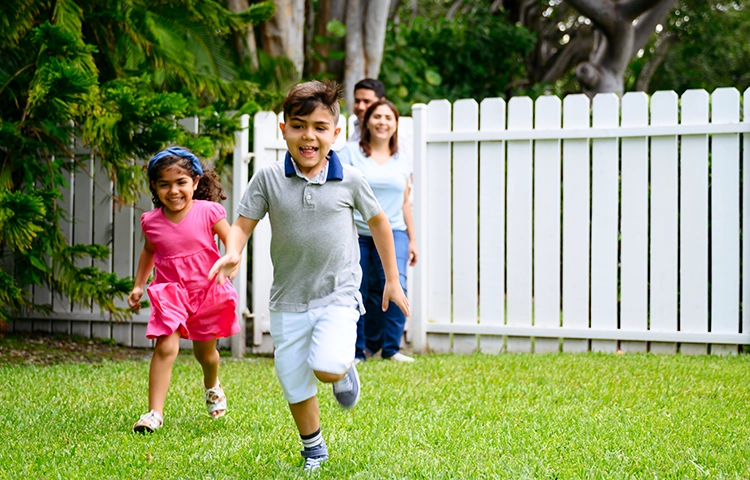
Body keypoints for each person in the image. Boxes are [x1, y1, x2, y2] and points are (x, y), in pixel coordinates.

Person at [208, 80, 409, 471]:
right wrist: (232, 251)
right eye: (299, 125)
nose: (309, 136)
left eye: (320, 127)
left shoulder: (349, 177)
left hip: (338, 293)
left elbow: (380, 222)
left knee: (326, 365)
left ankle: (344, 371)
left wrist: (392, 278)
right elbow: (243, 224)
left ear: (336, 134)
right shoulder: (267, 178)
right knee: (294, 381)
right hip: (287, 299)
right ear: (283, 129)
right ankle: (314, 449)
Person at [128, 146, 239, 433]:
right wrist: (139, 285)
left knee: (206, 355)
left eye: (181, 183)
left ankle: (211, 384)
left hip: (206, 292)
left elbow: (233, 241)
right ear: (154, 186)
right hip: (170, 292)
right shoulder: (151, 221)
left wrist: (231, 262)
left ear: (196, 183)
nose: (173, 191)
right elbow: (149, 251)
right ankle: (154, 413)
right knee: (165, 346)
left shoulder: (209, 212)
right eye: (164, 184)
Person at [338, 100, 418, 363]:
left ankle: (391, 349)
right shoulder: (350, 153)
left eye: (388, 118)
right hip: (357, 233)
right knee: (356, 289)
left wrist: (413, 239)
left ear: (396, 125)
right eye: (377, 116)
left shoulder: (402, 158)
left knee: (398, 285)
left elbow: (406, 202)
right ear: (366, 121)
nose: (382, 122)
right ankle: (357, 351)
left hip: (394, 232)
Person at [348, 78, 386, 144]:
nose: (360, 107)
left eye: (367, 101)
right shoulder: (355, 133)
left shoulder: (396, 141)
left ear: (382, 102)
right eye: (357, 101)